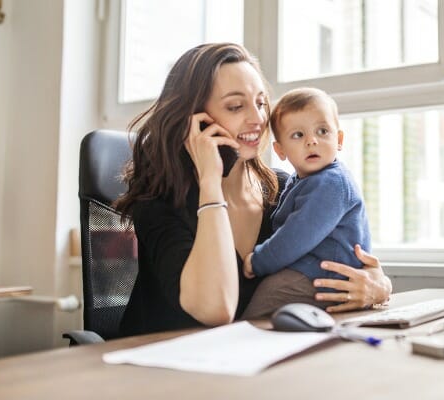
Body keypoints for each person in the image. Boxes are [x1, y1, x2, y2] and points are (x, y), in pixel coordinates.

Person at [114, 43, 392, 336]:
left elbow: (349, 256)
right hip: (158, 366)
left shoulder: (282, 189)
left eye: (260, 103)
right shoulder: (158, 200)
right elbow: (216, 309)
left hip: (251, 363)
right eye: (235, 106)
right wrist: (210, 182)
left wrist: (378, 286)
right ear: (194, 121)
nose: (258, 119)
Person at [240, 87, 370, 319]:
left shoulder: (331, 183)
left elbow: (295, 236)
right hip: (313, 274)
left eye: (322, 131)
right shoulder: (299, 180)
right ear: (280, 150)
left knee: (254, 318)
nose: (312, 141)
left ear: (338, 139)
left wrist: (258, 261)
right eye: (298, 135)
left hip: (322, 278)